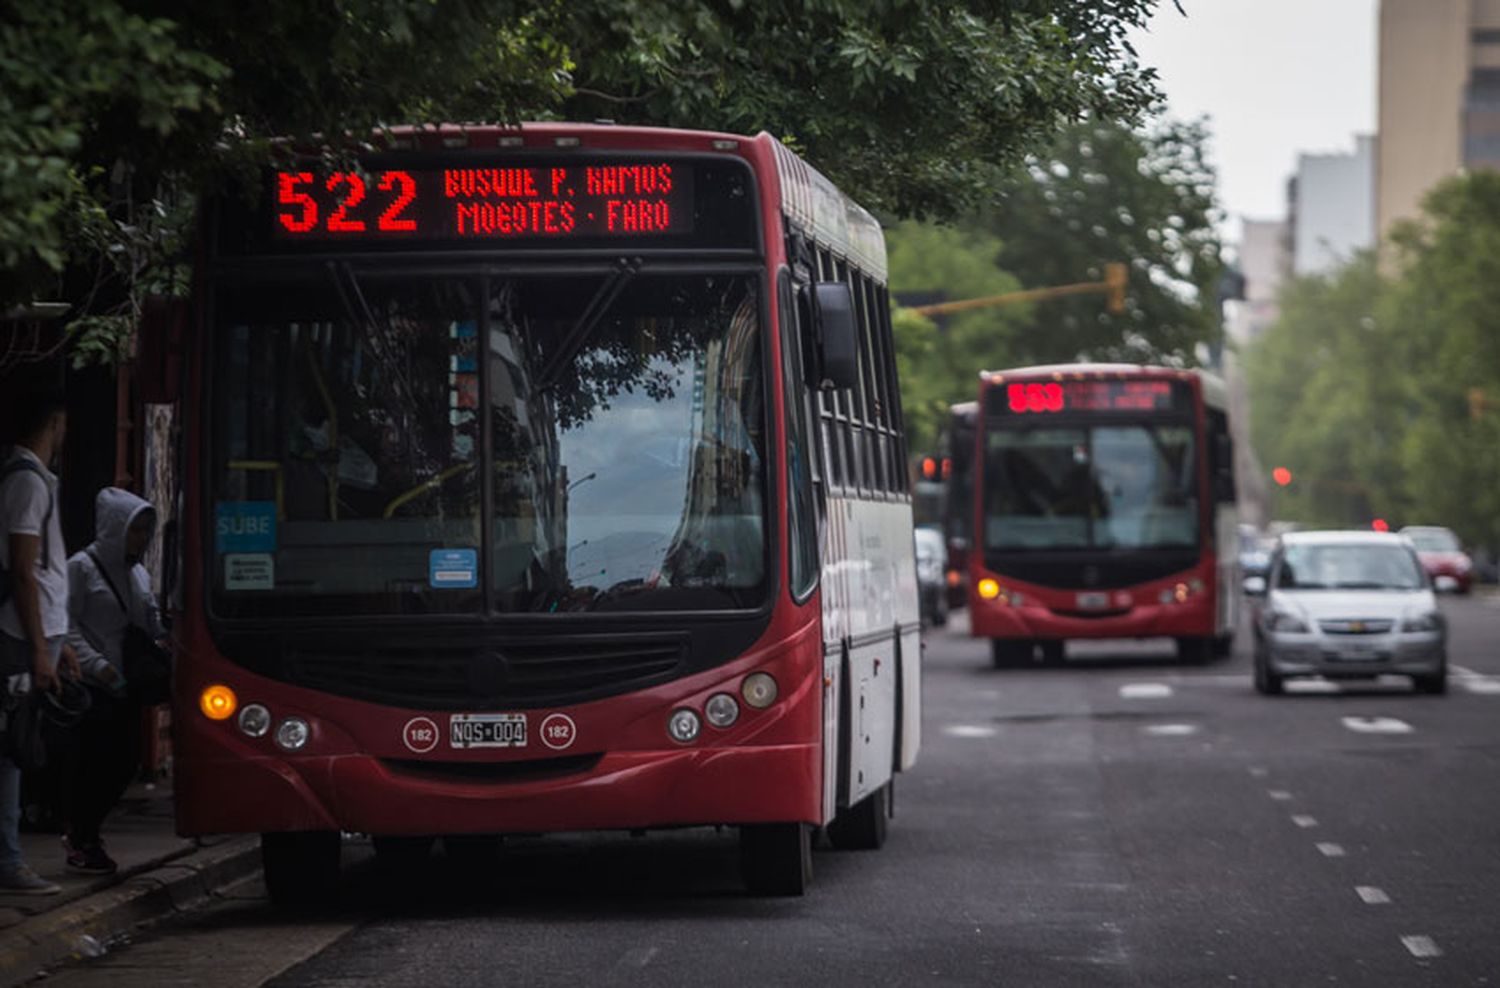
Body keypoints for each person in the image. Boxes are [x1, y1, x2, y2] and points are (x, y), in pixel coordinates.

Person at [58, 488, 166, 875]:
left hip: (127, 685)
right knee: (96, 763)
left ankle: (88, 832)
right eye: (134, 529)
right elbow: (65, 625)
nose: (140, 538)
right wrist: (96, 664)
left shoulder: (137, 573)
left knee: (123, 763)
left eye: (144, 531)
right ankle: (82, 836)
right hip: (92, 684)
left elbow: (148, 622)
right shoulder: (80, 568)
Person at [1, 389, 79, 895]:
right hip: (21, 634)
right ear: (52, 424)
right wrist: (37, 647)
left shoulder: (36, 481)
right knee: (12, 748)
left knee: (20, 746)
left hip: (44, 629)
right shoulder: (27, 484)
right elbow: (24, 573)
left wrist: (61, 638)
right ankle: (8, 859)